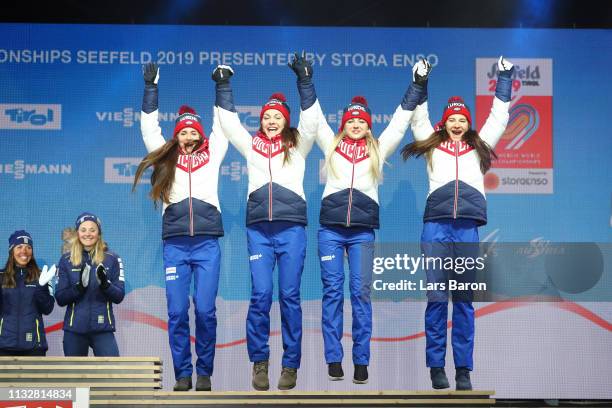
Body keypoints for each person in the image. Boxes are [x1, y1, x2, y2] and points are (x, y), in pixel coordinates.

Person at [297, 57, 430, 384]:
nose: (356, 125)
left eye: (361, 122)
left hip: (361, 234)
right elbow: (313, 115)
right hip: (330, 231)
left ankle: (361, 360)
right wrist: (305, 81)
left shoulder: (378, 150)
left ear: (368, 126)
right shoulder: (331, 145)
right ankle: (333, 358)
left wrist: (417, 85)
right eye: (351, 121)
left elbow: (399, 123)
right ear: (344, 124)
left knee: (360, 293)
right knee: (332, 292)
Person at [401, 56, 515, 390]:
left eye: (461, 119)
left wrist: (504, 77)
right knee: (437, 297)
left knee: (463, 300)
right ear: (444, 122)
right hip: (436, 226)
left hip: (466, 228)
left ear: (467, 123)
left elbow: (500, 115)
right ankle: (437, 366)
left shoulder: (480, 147)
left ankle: (463, 369)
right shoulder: (432, 147)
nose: (456, 123)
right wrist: (420, 81)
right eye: (451, 118)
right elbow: (417, 117)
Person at [211, 57, 318, 391]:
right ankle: (260, 362)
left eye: (277, 117)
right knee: (260, 296)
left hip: (291, 229)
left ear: (285, 121)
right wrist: (223, 85)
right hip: (258, 230)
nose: (271, 121)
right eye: (267, 117)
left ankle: (290, 365)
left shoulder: (298, 145)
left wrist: (305, 80)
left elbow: (312, 120)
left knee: (289, 296)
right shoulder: (253, 145)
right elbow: (229, 125)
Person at [133, 63, 228, 392]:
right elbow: (148, 129)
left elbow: (223, 124)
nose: (188, 136)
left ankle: (204, 372)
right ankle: (182, 374)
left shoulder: (213, 152)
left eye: (193, 131)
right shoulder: (165, 156)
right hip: (175, 244)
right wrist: (151, 88)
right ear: (177, 135)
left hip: (206, 245)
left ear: (200, 135)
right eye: (183, 131)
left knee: (205, 310)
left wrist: (222, 86)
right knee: (176, 312)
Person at [55, 213, 125, 357]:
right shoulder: (66, 260)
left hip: (103, 328)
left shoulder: (112, 259)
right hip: (74, 330)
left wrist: (106, 285)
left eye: (92, 230)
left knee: (112, 375)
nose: (88, 234)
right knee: (75, 379)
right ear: (77, 233)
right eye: (83, 230)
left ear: (99, 233)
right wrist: (79, 287)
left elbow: (119, 296)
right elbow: (60, 298)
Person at [0, 230, 55, 356]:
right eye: (19, 247)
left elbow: (47, 309)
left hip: (34, 346)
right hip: (4, 345)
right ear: (11, 251)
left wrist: (41, 287)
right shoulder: (1, 277)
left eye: (28, 247)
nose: (24, 251)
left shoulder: (42, 276)